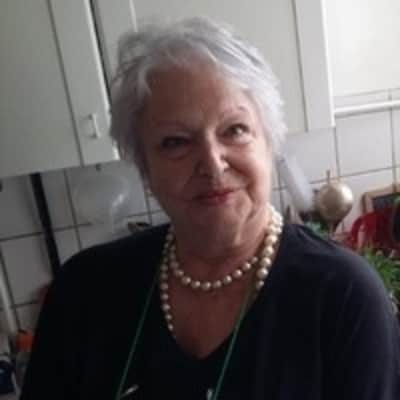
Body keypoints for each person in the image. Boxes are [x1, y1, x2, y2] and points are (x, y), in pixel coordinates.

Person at [21, 17, 400, 399]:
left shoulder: (343, 295)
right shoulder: (86, 290)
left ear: (270, 142)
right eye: (175, 141)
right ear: (145, 168)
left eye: (234, 130)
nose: (212, 164)